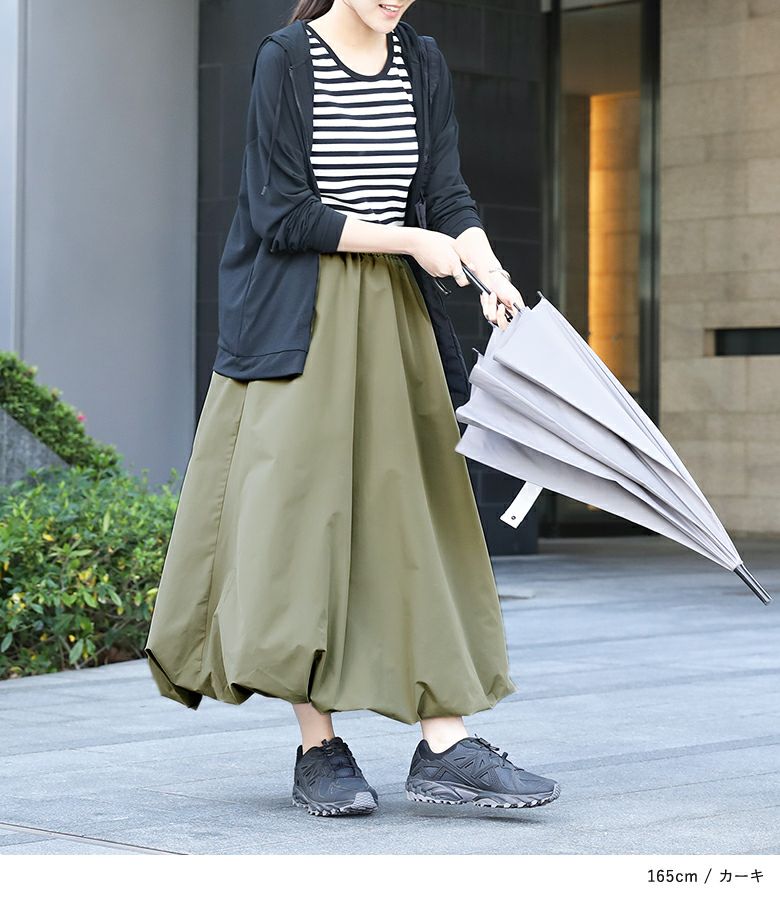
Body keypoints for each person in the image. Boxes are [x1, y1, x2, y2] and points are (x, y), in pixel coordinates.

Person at [144, 0, 561, 817]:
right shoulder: (285, 58)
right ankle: (319, 747)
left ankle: (445, 741)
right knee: (299, 531)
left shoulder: (421, 62)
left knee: (415, 523)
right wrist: (409, 241)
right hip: (295, 323)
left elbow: (444, 193)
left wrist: (490, 274)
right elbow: (280, 211)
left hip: (395, 325)